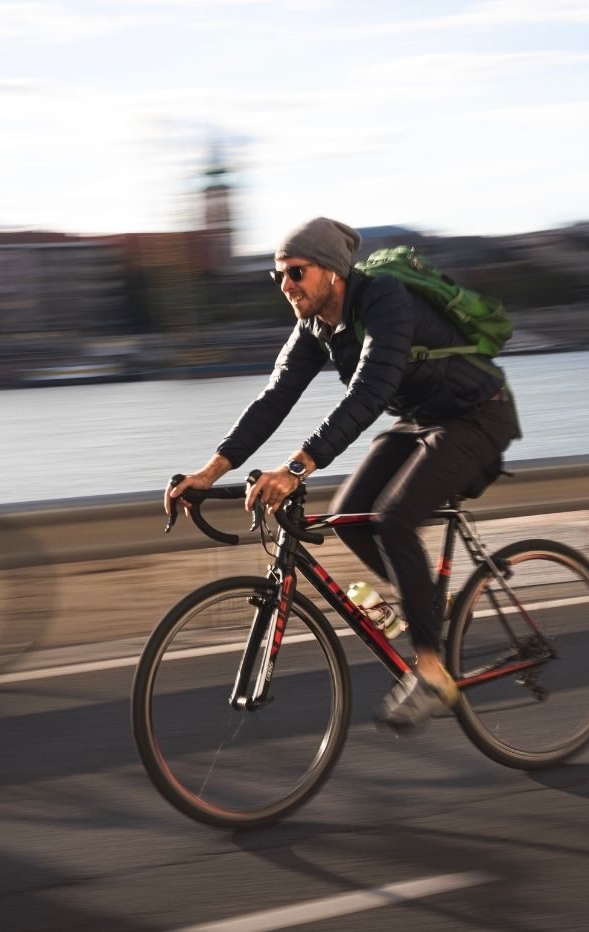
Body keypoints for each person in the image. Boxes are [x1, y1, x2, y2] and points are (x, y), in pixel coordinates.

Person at [166, 217, 521, 730]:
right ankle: (421, 608)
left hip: (475, 414)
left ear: (332, 272)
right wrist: (210, 469)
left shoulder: (385, 299)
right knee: (351, 516)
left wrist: (296, 467)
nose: (285, 286)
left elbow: (370, 392)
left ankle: (431, 673)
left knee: (394, 519)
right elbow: (275, 398)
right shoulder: (316, 324)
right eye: (278, 276)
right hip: (421, 419)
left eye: (295, 272)